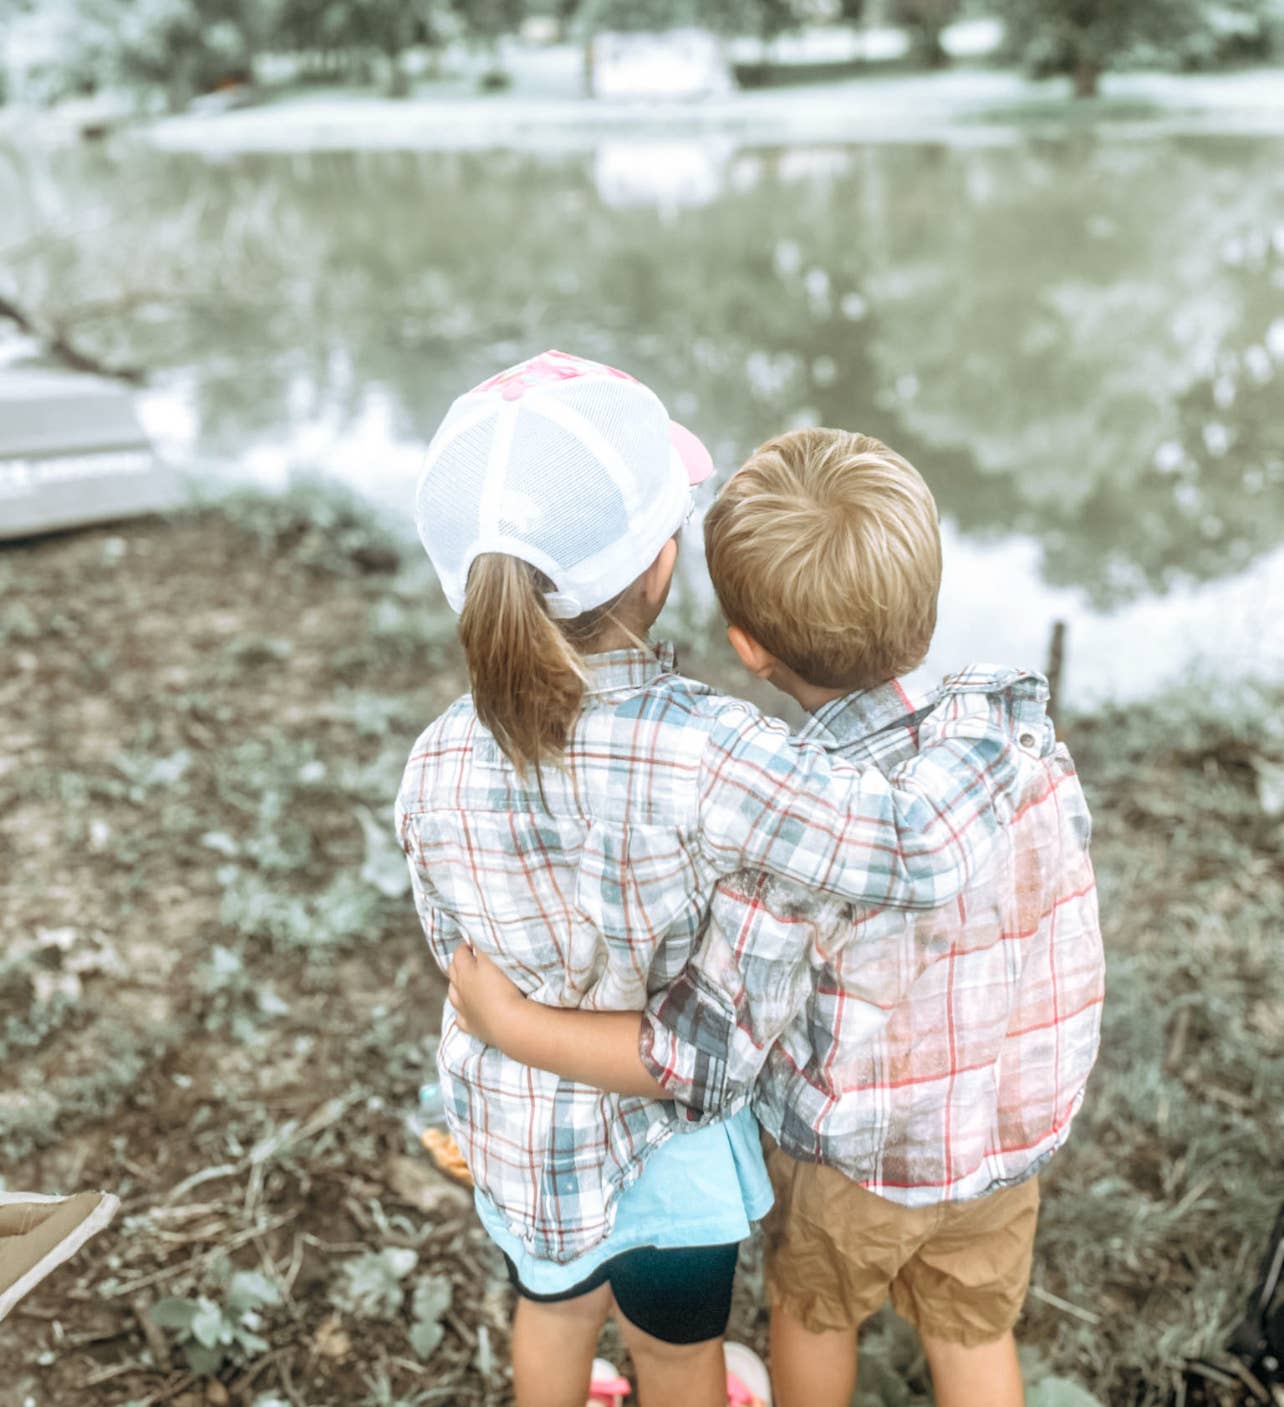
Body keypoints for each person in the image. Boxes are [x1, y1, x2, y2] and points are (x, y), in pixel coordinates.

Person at [397, 356, 1045, 1407]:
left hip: (521, 1139)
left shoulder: (431, 761)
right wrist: (998, 711)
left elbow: (451, 941)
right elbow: (910, 851)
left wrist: (511, 1020)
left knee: (550, 1317)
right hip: (669, 1156)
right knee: (681, 1354)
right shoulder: (716, 753)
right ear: (662, 563)